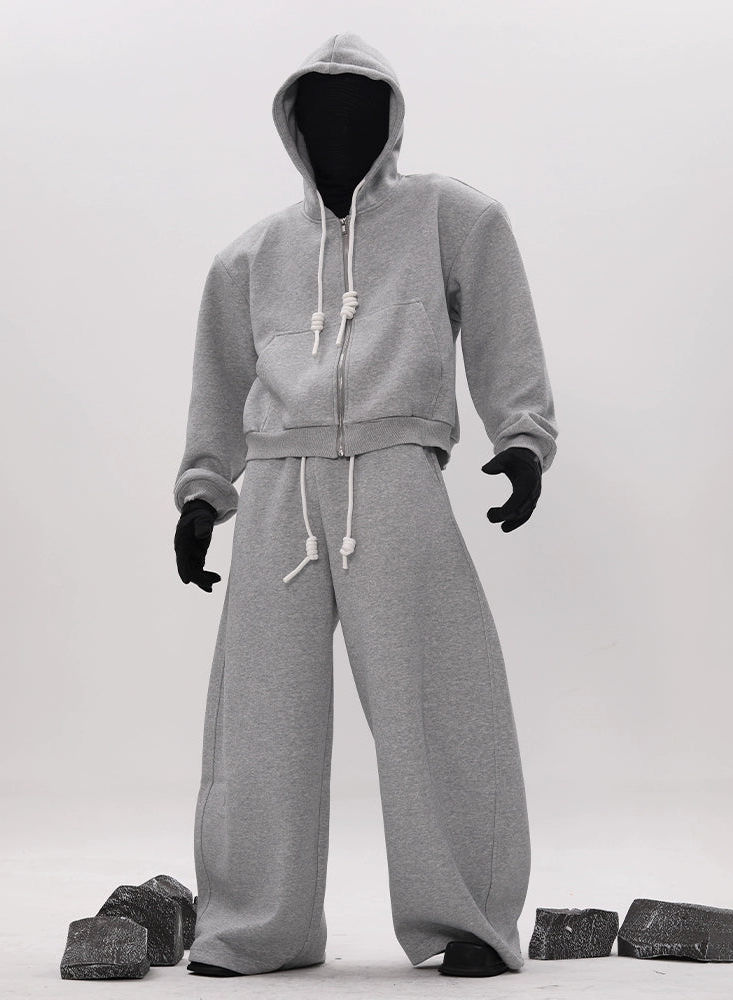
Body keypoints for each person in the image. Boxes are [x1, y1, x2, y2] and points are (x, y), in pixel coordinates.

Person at [173, 32, 558, 979]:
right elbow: (219, 383)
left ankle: (467, 919)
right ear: (294, 128)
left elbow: (502, 324)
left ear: (389, 120)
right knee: (258, 718)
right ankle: (254, 924)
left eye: (356, 112)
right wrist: (202, 493)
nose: (337, 130)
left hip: (395, 477)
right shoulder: (250, 256)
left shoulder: (452, 217)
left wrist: (522, 439)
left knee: (442, 697)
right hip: (279, 491)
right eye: (317, 115)